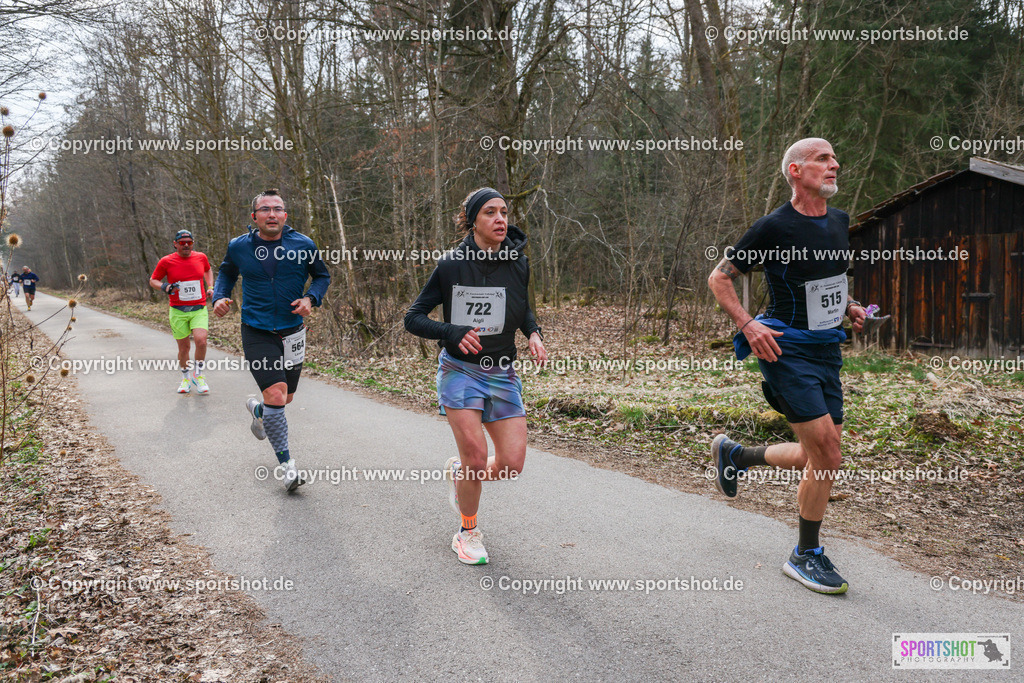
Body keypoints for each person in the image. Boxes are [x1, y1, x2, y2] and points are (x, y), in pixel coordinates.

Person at [707, 138, 866, 595]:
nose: (834, 164)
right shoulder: (773, 227)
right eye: (823, 159)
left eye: (835, 157)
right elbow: (720, 277)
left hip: (825, 349)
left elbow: (828, 283)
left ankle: (736, 455)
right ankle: (805, 554)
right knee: (829, 455)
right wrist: (748, 324)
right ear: (796, 171)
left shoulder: (838, 221)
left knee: (813, 454)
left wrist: (850, 305)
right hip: (783, 347)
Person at [404, 187, 547, 565]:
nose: (500, 219)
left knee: (512, 464)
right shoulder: (451, 265)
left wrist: (533, 332)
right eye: (490, 212)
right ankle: (467, 531)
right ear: (472, 221)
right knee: (476, 455)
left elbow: (522, 307)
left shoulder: (518, 262)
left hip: (501, 372)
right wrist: (451, 331)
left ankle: (462, 474)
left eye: (503, 212)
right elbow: (413, 318)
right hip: (460, 371)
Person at [212, 188, 330, 493]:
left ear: (285, 215)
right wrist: (221, 296)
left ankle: (259, 412)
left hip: (293, 331)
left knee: (285, 398)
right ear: (255, 217)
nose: (272, 214)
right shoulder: (239, 247)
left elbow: (321, 276)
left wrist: (310, 299)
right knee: (277, 394)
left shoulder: (303, 244)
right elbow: (226, 272)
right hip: (257, 330)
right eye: (265, 209)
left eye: (277, 209)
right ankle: (288, 467)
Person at [150, 230, 214, 394]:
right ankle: (185, 378)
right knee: (184, 348)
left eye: (189, 242)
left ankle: (198, 376)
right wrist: (164, 286)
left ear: (193, 243)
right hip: (178, 311)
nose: (186, 245)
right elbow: (153, 280)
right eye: (182, 242)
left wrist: (210, 287)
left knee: (201, 341)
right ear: (175, 243)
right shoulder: (167, 261)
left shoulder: (201, 257)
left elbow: (207, 270)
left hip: (198, 308)